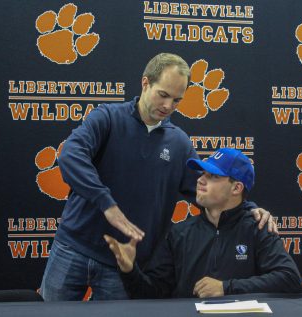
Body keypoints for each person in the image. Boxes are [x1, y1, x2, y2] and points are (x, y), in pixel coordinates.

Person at [40, 53, 277, 301]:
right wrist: (106, 203)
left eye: (177, 100)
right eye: (163, 95)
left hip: (125, 263)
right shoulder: (108, 117)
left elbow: (208, 191)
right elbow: (70, 155)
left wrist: (249, 209)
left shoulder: (179, 143)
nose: (168, 106)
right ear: (145, 83)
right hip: (73, 247)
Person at [105, 148, 302, 298]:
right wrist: (130, 270)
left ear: (236, 188)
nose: (200, 180)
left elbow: (290, 279)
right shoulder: (180, 233)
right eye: (202, 174)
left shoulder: (257, 227)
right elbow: (152, 292)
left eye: (213, 176)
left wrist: (226, 288)